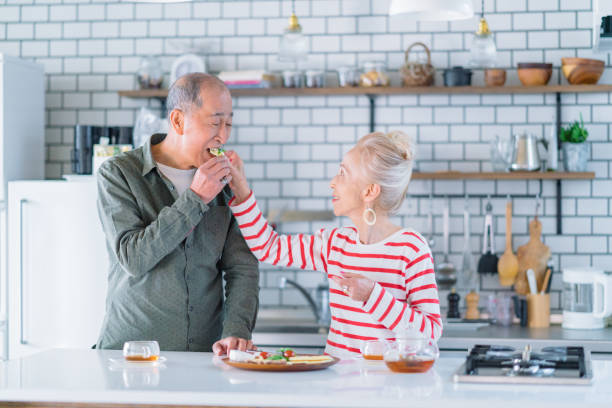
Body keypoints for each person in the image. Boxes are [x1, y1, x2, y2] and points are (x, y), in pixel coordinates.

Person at [224, 131, 442, 358]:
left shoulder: (411, 249)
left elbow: (430, 333)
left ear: (369, 191)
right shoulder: (335, 244)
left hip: (389, 387)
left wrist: (373, 295)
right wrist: (241, 189)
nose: (332, 183)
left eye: (342, 173)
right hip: (336, 386)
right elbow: (268, 247)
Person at [96, 73, 259, 355]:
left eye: (229, 123)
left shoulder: (226, 184)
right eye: (214, 122)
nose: (222, 134)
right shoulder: (119, 173)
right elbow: (133, 258)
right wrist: (196, 198)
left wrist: (236, 331)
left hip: (205, 357)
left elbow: (242, 268)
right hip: (130, 356)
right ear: (178, 121)